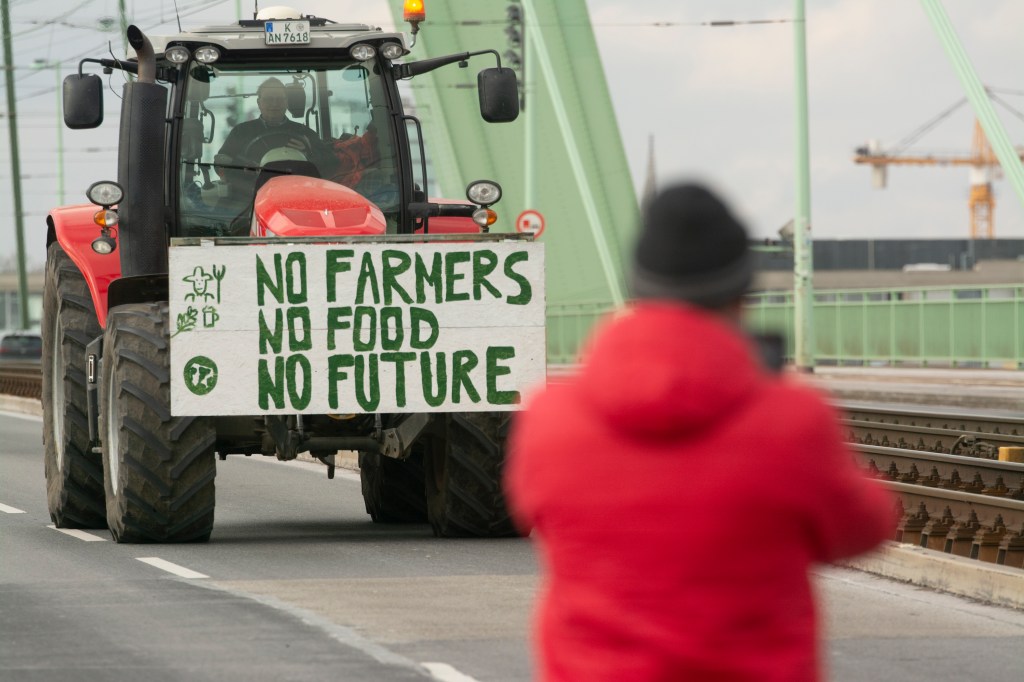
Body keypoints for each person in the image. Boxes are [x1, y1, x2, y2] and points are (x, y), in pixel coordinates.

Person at [504, 183, 896, 682]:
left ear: (638, 287)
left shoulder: (550, 419)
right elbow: (862, 529)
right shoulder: (794, 419)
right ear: (742, 294)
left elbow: (530, 510)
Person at [215, 76, 337, 174]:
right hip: (250, 194)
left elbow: (333, 163)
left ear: (286, 102)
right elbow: (221, 162)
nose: (274, 104)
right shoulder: (241, 131)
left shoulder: (304, 133)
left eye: (279, 99)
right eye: (268, 99)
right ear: (259, 102)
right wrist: (247, 168)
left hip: (297, 190)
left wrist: (309, 152)